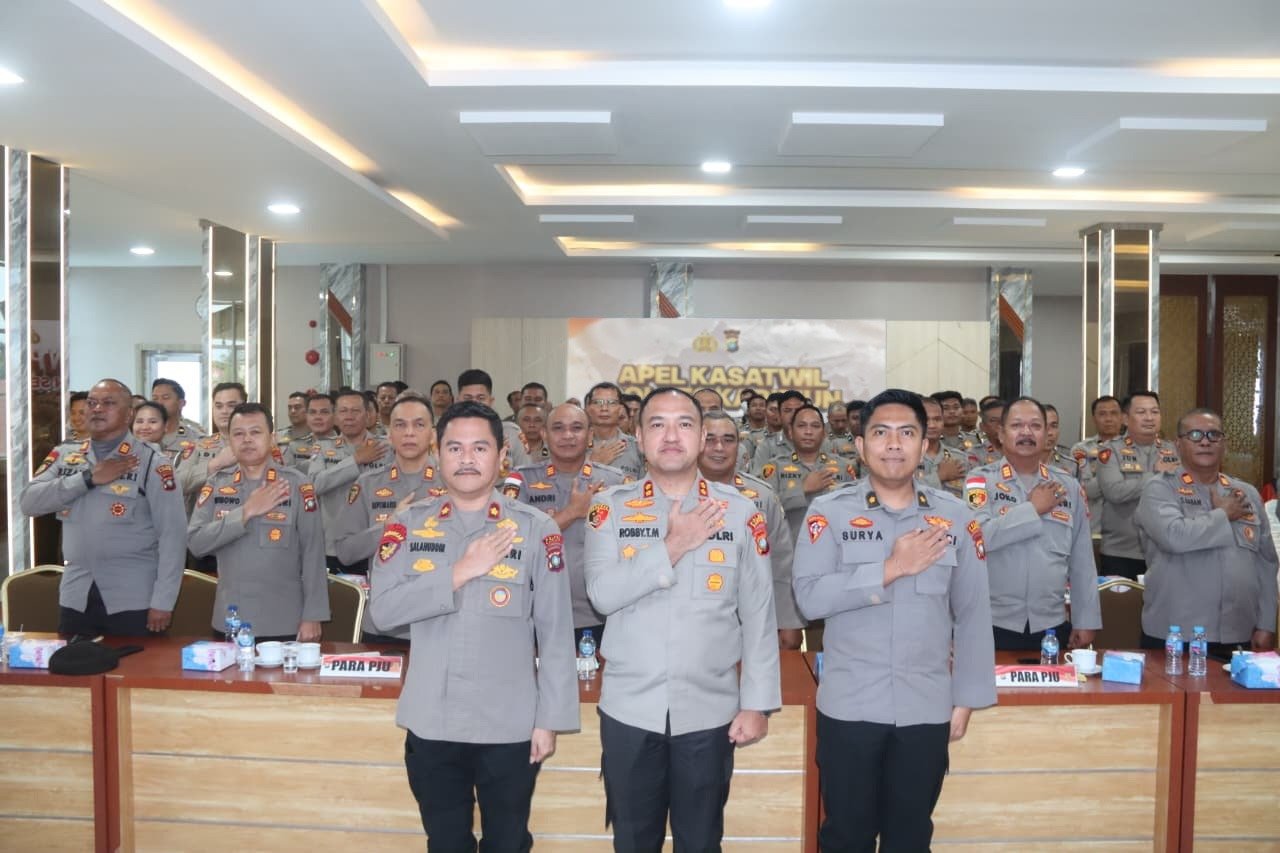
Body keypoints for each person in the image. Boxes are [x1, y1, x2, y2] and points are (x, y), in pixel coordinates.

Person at [792, 388, 995, 852]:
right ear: (860, 446)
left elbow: (973, 613)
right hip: (849, 708)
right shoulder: (828, 513)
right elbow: (808, 598)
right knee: (846, 837)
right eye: (881, 433)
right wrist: (891, 568)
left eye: (907, 433)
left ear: (925, 445)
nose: (893, 444)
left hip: (927, 707)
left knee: (911, 837)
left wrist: (967, 698)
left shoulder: (957, 518)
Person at [369, 401, 578, 850]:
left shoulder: (536, 528)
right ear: (437, 453)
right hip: (433, 720)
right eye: (455, 448)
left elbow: (557, 633)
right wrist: (459, 572)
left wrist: (550, 720)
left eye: (480, 448)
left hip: (510, 724)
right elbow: (381, 612)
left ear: (502, 456)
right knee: (446, 843)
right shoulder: (406, 524)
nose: (467, 459)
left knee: (508, 842)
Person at [584, 387, 780, 851]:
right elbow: (602, 595)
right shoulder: (608, 507)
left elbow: (759, 612)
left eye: (684, 424)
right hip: (630, 710)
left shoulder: (740, 510)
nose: (671, 436)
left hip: (711, 712)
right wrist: (673, 545)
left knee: (701, 841)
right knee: (634, 841)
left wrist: (757, 703)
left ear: (703, 436)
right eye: (657, 424)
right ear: (638, 436)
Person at [21, 379, 186, 636]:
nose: (97, 409)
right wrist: (86, 479)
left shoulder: (152, 463)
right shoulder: (65, 455)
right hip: (76, 594)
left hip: (133, 598)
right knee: (74, 661)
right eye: (92, 403)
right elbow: (28, 502)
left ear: (129, 414)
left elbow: (172, 537)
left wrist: (163, 601)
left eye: (108, 403)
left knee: (135, 664)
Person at [1135, 408, 1278, 653]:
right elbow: (1174, 537)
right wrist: (1223, 515)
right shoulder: (1159, 489)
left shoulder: (1246, 493)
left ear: (1224, 445)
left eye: (1214, 435)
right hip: (1177, 633)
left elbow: (1266, 563)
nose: (1205, 441)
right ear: (1178, 444)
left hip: (1239, 630)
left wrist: (1266, 623)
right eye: (1195, 435)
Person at [967, 397, 1100, 651]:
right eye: (1017, 425)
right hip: (992, 621)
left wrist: (1086, 619)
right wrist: (1033, 509)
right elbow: (979, 537)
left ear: (1047, 433)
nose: (1026, 432)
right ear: (1001, 433)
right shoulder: (979, 481)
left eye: (1036, 426)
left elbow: (1083, 559)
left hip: (1051, 623)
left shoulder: (1068, 486)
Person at [187, 403, 328, 642]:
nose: (247, 440)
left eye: (255, 432)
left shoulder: (297, 485)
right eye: (238, 434)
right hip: (230, 618)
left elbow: (313, 553)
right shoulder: (216, 484)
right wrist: (246, 512)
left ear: (272, 439)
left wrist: (313, 615)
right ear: (229, 441)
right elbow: (195, 543)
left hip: (285, 619)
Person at [507, 403, 627, 645]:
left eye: (577, 428)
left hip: (600, 617)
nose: (568, 435)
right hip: (536, 613)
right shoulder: (522, 479)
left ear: (590, 435)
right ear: (544, 435)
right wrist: (571, 513)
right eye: (558, 428)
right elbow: (512, 542)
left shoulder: (615, 482)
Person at [699, 410, 804, 649]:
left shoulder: (762, 495)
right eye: (709, 439)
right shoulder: (675, 494)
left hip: (749, 619)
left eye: (728, 440)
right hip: (689, 619)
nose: (719, 447)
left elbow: (781, 563)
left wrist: (789, 622)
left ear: (739, 447)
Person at [1097, 391, 1179, 579]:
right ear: (1125, 419)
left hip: (1165, 549)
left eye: (1155, 412)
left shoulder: (1174, 450)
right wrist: (1156, 475)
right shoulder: (1110, 450)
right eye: (1141, 412)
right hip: (1122, 552)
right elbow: (1114, 492)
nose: (1149, 418)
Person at [307, 388, 391, 570]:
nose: (349, 417)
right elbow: (314, 485)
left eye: (355, 411)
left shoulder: (385, 447)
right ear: (335, 417)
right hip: (333, 545)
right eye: (343, 411)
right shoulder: (322, 448)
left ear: (367, 416)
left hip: (377, 543)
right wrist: (355, 460)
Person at [761, 404, 857, 547]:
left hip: (834, 548)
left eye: (815, 426)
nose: (808, 432)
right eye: (801, 426)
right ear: (791, 432)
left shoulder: (843, 467)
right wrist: (802, 489)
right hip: (790, 550)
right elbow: (765, 512)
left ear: (824, 433)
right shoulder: (774, 467)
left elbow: (854, 510)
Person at [175, 382, 248, 505]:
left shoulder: (260, 444)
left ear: (245, 408)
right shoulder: (198, 446)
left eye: (231, 406)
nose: (224, 411)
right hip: (206, 515)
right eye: (219, 406)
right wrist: (214, 465)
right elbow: (176, 485)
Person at [1072, 395, 1123, 536]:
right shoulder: (1081, 449)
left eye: (1114, 413)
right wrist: (1119, 474)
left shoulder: (1134, 450)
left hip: (1126, 533)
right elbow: (1086, 489)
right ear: (1094, 418)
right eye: (1102, 414)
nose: (1108, 419)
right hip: (1093, 529)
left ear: (1122, 417)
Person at [457, 369, 525, 469]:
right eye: (468, 398)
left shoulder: (512, 434)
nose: (475, 404)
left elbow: (525, 475)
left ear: (491, 401)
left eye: (481, 398)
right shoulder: (445, 435)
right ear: (458, 401)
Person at [585, 381, 645, 480]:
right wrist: (592, 464)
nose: (604, 408)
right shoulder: (576, 446)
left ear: (620, 408)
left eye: (612, 403)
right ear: (588, 408)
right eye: (598, 402)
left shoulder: (637, 447)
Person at [917, 396, 968, 498]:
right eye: (925, 420)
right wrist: (939, 476)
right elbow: (900, 493)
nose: (932, 425)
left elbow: (971, 498)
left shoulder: (959, 457)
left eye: (937, 419)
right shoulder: (904, 458)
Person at [150, 378, 203, 458]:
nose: (159, 403)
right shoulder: (143, 435)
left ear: (181, 403)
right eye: (155, 398)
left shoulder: (196, 439)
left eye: (165, 398)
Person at [283, 392, 335, 470]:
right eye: (312, 412)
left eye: (324, 412)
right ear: (307, 416)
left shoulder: (347, 446)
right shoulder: (293, 446)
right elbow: (286, 474)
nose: (317, 417)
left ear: (335, 416)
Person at [966, 398, 1005, 468]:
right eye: (993, 420)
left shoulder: (1020, 449)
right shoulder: (975, 453)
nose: (1000, 424)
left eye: (1004, 419)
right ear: (982, 427)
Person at [1042, 403, 1077, 476]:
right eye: (1044, 426)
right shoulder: (1021, 463)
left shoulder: (1071, 465)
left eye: (1054, 426)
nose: (1050, 433)